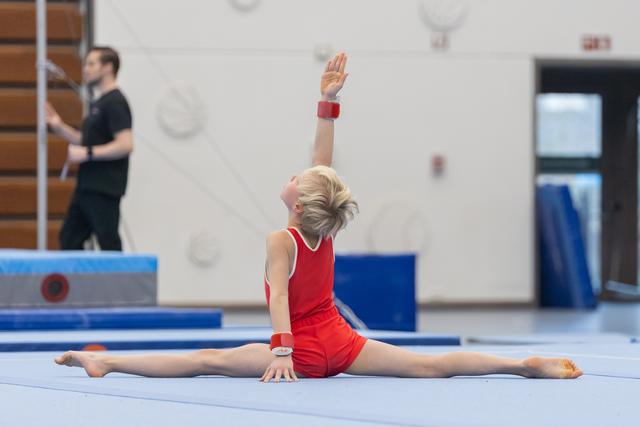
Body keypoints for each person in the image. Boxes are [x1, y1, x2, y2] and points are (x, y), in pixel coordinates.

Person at [54, 53, 583, 382]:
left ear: (300, 204)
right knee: (429, 366)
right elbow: (323, 164)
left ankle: (109, 362)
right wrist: (327, 102)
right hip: (341, 343)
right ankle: (519, 364)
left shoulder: (282, 237)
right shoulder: (319, 226)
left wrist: (281, 353)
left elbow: (280, 297)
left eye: (297, 177)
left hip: (305, 350)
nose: (295, 172)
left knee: (207, 359)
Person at [46, 46, 133, 251]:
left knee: (108, 242)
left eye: (91, 64)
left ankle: (117, 282)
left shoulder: (115, 102)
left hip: (103, 188)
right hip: (87, 187)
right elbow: (86, 141)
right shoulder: (99, 104)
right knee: (69, 239)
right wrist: (60, 127)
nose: (86, 69)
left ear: (108, 68)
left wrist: (88, 153)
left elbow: (125, 144)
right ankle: (80, 282)